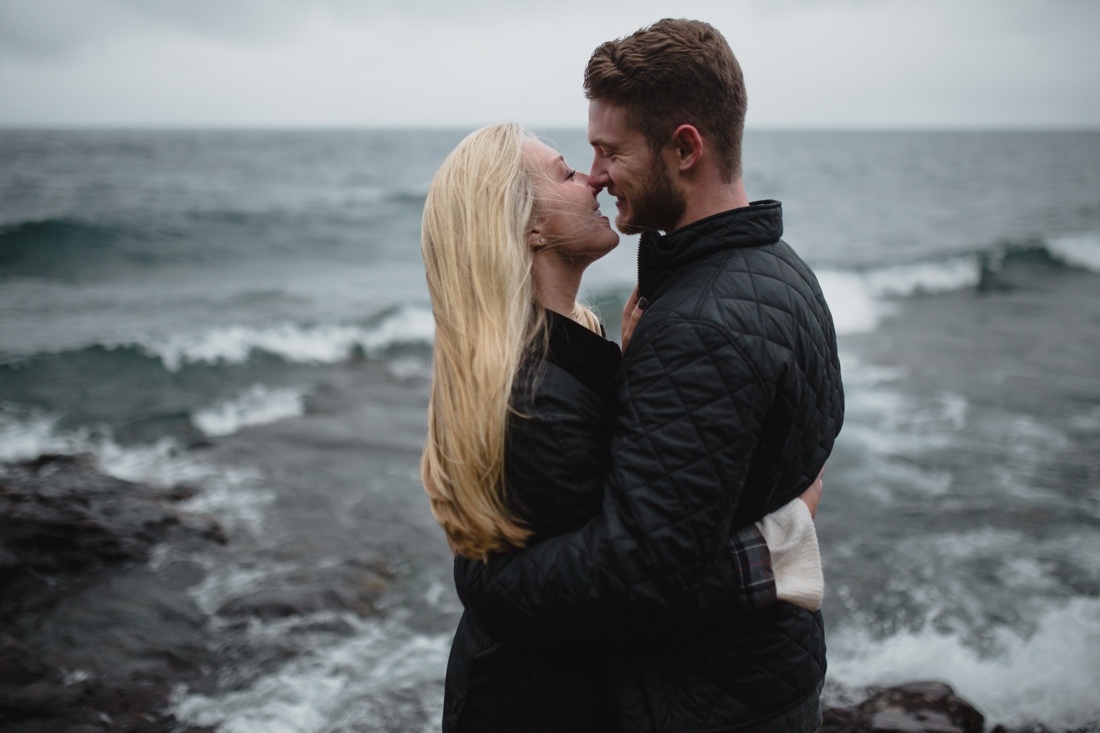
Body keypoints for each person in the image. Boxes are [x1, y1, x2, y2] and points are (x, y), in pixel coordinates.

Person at [450, 18, 845, 733]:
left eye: (605, 153)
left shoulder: (695, 323)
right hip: (736, 685)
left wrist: (485, 581)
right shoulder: (781, 272)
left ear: (685, 147)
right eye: (579, 164)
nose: (597, 176)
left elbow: (635, 575)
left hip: (710, 699)